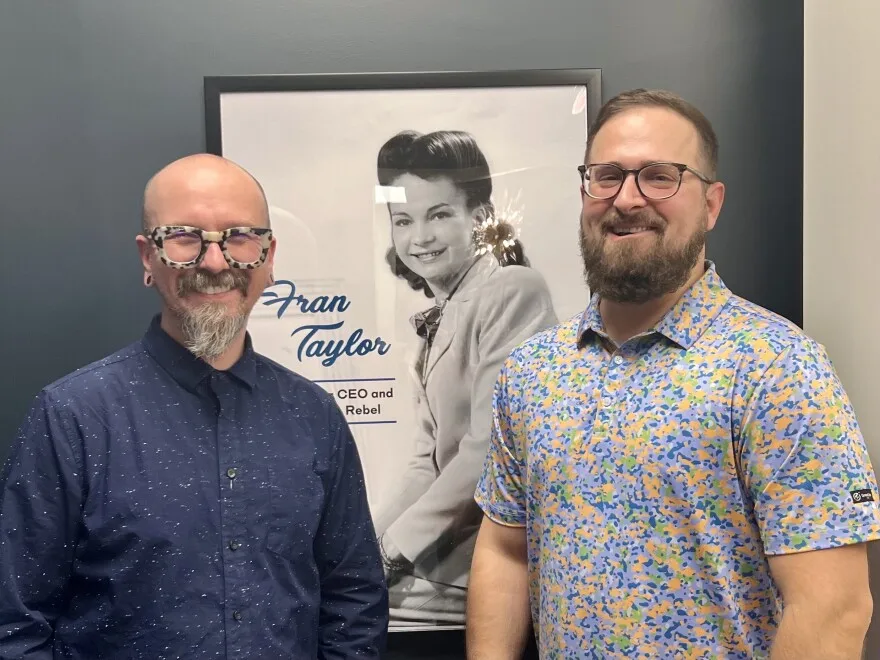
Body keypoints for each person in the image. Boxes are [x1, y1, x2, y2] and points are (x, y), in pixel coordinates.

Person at [469, 89, 880, 658]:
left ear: (711, 204)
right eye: (606, 175)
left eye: (659, 176)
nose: (627, 198)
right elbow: (505, 552)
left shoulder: (776, 368)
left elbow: (834, 607)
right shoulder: (533, 372)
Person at [0, 153, 388, 659]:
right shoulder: (71, 418)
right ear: (147, 257)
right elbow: (17, 625)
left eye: (239, 238)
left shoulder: (314, 417)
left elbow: (354, 601)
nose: (214, 263)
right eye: (184, 238)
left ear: (268, 257)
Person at [370, 130, 558, 628]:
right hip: (445, 558)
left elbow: (489, 446)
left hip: (489, 559)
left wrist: (392, 552)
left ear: (479, 219)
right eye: (403, 221)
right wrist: (372, 542)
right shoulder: (441, 316)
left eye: (439, 215)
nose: (420, 237)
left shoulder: (512, 288)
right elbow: (425, 460)